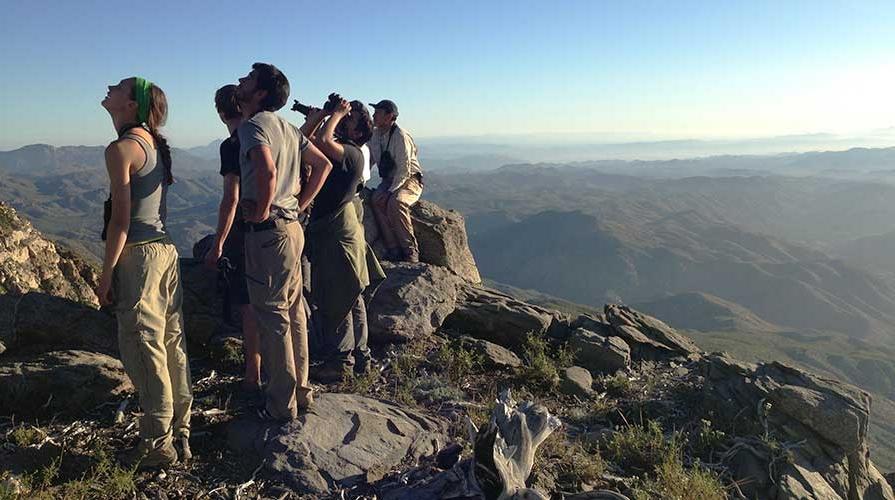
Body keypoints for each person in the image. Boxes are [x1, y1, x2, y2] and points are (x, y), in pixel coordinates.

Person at [97, 77, 193, 468]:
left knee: (144, 348)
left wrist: (106, 276)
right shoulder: (152, 143)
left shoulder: (121, 149)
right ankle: (180, 429)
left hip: (138, 257)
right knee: (172, 342)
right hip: (165, 252)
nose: (110, 87)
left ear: (131, 105)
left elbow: (121, 222)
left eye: (118, 86)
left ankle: (157, 446)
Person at [235, 63, 332, 421]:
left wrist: (262, 209)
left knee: (273, 315)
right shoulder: (289, 129)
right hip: (292, 228)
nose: (240, 81)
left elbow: (267, 170)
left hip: (269, 233)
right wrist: (300, 204)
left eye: (247, 79)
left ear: (260, 93)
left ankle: (280, 404)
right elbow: (322, 166)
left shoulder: (253, 126)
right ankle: (301, 393)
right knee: (294, 312)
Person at [302, 99, 383, 382]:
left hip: (338, 231)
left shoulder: (352, 154)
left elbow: (322, 139)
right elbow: (305, 141)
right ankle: (360, 358)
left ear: (360, 132)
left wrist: (333, 115)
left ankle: (341, 362)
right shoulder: (345, 151)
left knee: (338, 294)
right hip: (341, 227)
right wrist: (322, 114)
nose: (344, 120)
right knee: (352, 293)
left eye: (350, 118)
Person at [204, 85, 262, 395]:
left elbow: (231, 198)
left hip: (246, 230)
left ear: (221, 112)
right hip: (286, 226)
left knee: (249, 303)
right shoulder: (270, 135)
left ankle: (253, 375)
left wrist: (218, 244)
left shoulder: (233, 144)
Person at [368, 99, 424, 262]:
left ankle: (410, 251)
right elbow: (370, 159)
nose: (374, 115)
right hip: (391, 178)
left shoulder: (400, 136)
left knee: (396, 202)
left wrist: (391, 191)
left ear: (389, 117)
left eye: (378, 112)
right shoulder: (376, 135)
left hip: (410, 179)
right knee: (376, 200)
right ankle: (393, 248)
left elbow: (404, 169)